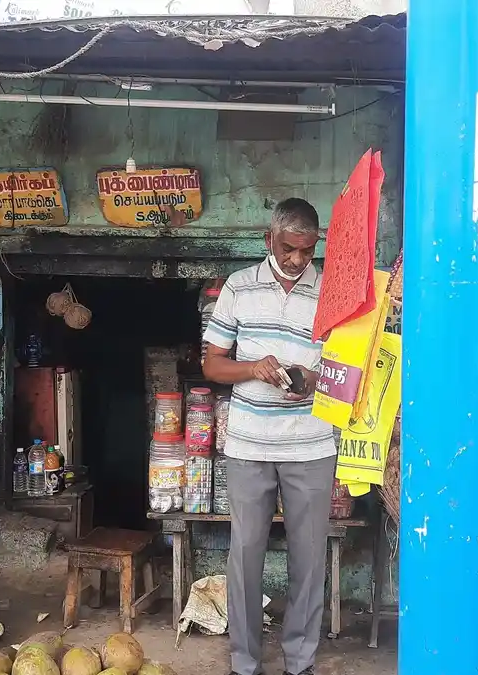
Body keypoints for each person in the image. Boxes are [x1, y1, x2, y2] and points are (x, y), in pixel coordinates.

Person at [201, 198, 334, 675]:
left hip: (312, 445)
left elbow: (346, 370)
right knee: (246, 555)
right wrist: (253, 368)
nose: (298, 259)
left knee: (308, 559)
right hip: (249, 447)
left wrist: (315, 380)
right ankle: (244, 662)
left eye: (307, 250)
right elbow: (211, 364)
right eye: (288, 248)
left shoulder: (331, 291)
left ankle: (299, 662)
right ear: (268, 240)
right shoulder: (238, 287)